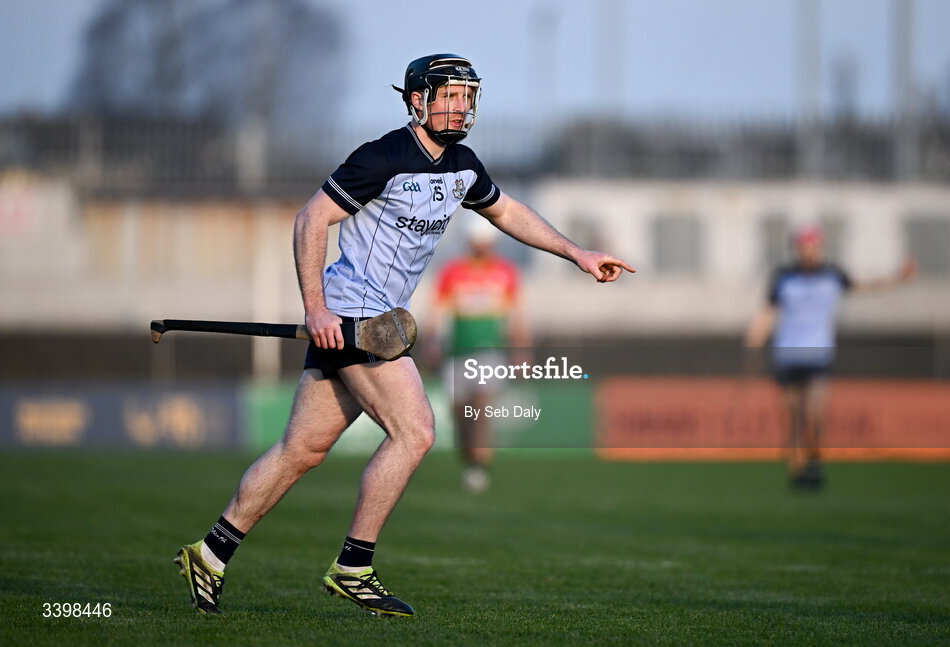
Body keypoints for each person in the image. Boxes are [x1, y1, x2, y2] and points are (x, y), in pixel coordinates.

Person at [173, 53, 635, 617]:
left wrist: (575, 253)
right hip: (353, 316)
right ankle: (353, 567)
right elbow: (309, 219)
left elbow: (507, 212)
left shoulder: (463, 164)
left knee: (302, 450)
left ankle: (212, 552)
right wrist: (315, 309)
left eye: (469, 96)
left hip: (380, 318)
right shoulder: (382, 157)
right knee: (415, 432)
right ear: (418, 100)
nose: (462, 106)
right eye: (450, 95)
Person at [744, 225, 915, 490]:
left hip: (818, 355)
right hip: (786, 355)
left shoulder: (833, 275)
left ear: (820, 248)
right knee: (792, 418)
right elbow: (769, 310)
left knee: (814, 413)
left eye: (813, 246)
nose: (808, 251)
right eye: (804, 246)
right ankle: (797, 471)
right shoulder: (783, 277)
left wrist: (898, 278)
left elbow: (868, 285)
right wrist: (755, 338)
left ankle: (814, 459)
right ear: (797, 249)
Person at [428, 219, 531, 493]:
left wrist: (521, 353)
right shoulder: (452, 273)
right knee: (460, 415)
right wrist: (433, 344)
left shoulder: (506, 273)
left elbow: (516, 318)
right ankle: (471, 463)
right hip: (457, 353)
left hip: (490, 353)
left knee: (481, 407)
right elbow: (438, 314)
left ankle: (481, 462)